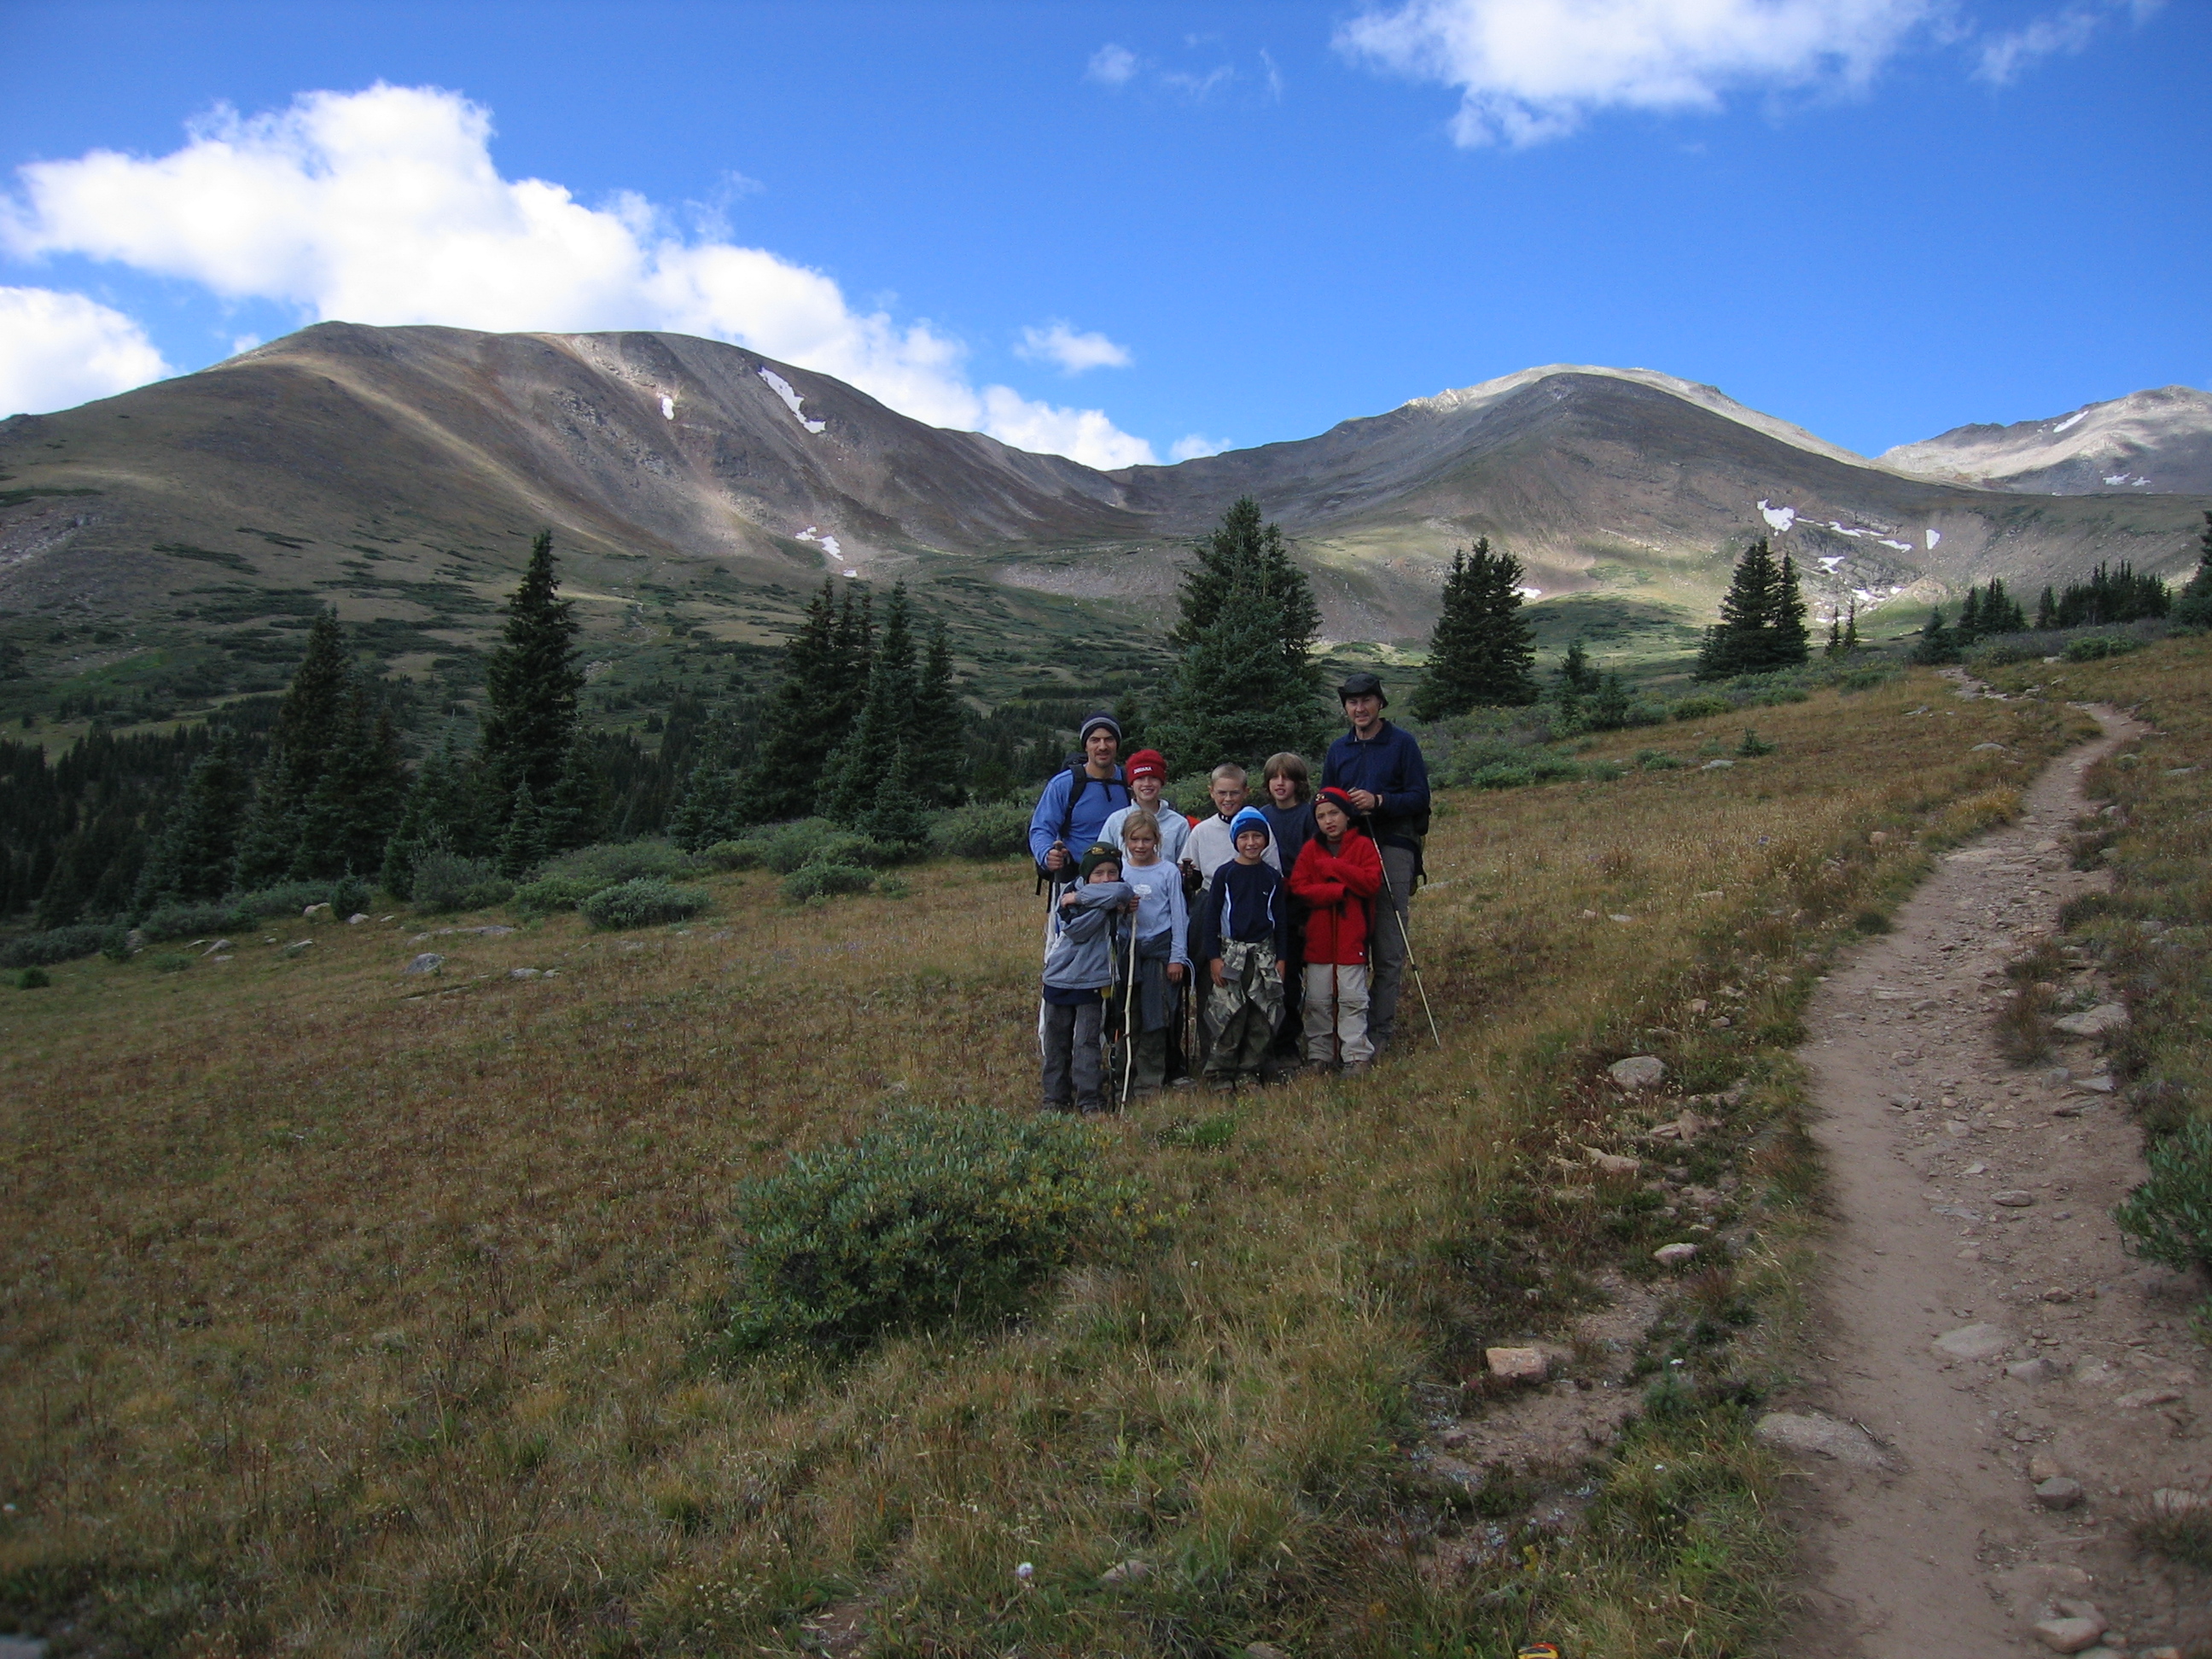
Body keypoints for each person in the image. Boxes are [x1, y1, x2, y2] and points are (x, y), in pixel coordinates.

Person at [1320, 672, 1430, 1056]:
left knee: (1387, 943)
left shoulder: (1402, 743)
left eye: (1366, 700)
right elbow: (1325, 799)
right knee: (1349, 942)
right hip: (1348, 849)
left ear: (1380, 703)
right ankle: (1346, 1029)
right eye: (1352, 702)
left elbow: (1419, 797)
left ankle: (1379, 1031)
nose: (1360, 708)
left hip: (1393, 845)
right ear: (1345, 708)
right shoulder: (1339, 750)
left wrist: (1379, 801)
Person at [1288, 786, 1383, 1076]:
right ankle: (1320, 1054)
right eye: (1321, 816)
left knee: (1352, 998)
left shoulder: (1363, 846)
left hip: (1352, 936)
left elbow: (1371, 882)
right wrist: (1336, 891)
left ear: (1347, 815)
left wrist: (1335, 867)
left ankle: (1355, 1054)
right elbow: (1299, 887)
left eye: (1334, 813)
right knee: (1318, 1000)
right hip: (1318, 938)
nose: (1328, 820)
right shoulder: (1310, 849)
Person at [1193, 806, 1289, 1091]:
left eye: (1257, 836)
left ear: (1265, 840)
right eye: (1244, 837)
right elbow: (1211, 919)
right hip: (1231, 954)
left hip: (1264, 956)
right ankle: (1221, 1073)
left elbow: (1281, 921)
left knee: (1261, 1015)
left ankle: (1250, 1071)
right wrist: (1214, 957)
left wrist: (1282, 959)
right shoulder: (1225, 874)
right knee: (1228, 1016)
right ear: (1235, 840)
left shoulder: (1272, 877)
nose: (1251, 843)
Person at [1040, 843, 1133, 1113]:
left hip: (1094, 981)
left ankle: (1089, 1099)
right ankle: (1055, 1098)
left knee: (1087, 1043)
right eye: (1098, 874)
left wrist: (1084, 899)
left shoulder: (1083, 895)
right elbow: (1077, 930)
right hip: (1059, 978)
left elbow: (1123, 891)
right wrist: (1107, 906)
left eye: (1112, 873)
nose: (1106, 879)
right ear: (1086, 875)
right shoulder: (1068, 891)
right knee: (1057, 1043)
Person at [1112, 811, 1189, 1098]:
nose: (1140, 846)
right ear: (1125, 840)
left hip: (1159, 951)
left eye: (1146, 840)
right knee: (1129, 1015)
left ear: (1157, 839)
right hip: (1129, 952)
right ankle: (1124, 1074)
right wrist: (1123, 910)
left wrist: (1177, 957)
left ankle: (1151, 1079)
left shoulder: (1168, 872)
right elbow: (1112, 917)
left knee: (1156, 1016)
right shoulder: (1120, 871)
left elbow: (1179, 916)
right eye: (1134, 840)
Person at [1257, 751, 1317, 1067]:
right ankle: (1263, 1042)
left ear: (1298, 782)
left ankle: (1288, 1043)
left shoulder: (1309, 815)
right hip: (1266, 906)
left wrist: (1306, 912)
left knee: (1290, 977)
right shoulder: (1262, 815)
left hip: (1297, 906)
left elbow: (1316, 864)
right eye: (1274, 777)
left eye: (1287, 777)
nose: (1280, 783)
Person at [1027, 713, 1131, 886]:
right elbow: (1041, 828)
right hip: (1074, 878)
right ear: (1086, 745)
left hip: (1121, 877)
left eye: (1109, 740)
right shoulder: (1063, 785)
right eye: (1095, 740)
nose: (1102, 746)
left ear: (1117, 744)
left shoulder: (1130, 783)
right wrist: (1047, 854)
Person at [1182, 763, 1280, 890]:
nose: (1228, 799)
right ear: (1211, 792)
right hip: (1212, 895)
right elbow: (1193, 878)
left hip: (1251, 893)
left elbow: (1273, 871)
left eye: (1234, 793)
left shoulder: (1260, 827)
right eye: (1222, 793)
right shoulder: (1202, 831)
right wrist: (1187, 875)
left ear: (1246, 792)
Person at [1102, 748, 1190, 864]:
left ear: (1161, 782)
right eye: (1140, 778)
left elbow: (1184, 865)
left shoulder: (1179, 824)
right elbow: (1102, 860)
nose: (1147, 784)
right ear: (1131, 784)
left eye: (1153, 777)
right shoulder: (1116, 820)